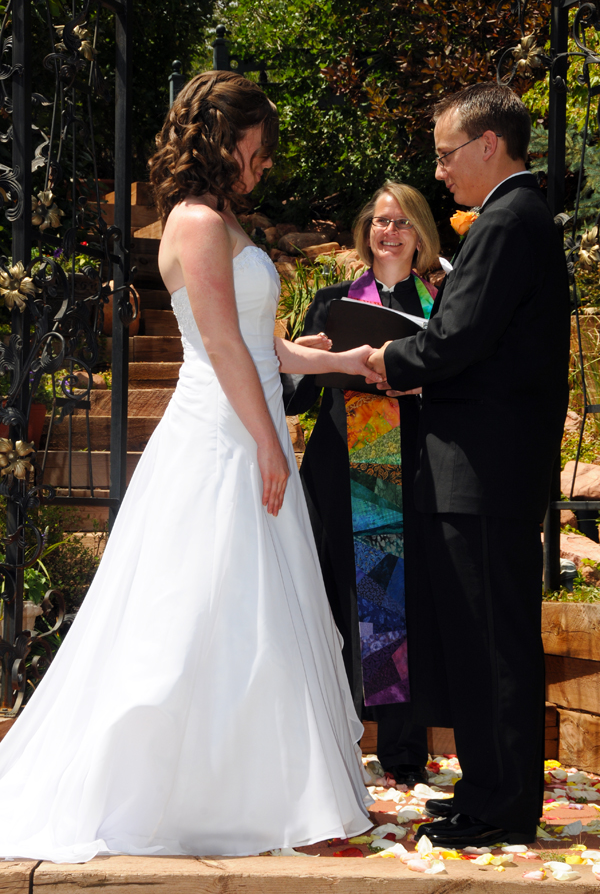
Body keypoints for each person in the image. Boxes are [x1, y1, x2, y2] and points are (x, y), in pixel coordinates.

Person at [0, 71, 381, 862]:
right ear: (226, 137)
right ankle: (215, 796)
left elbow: (260, 340)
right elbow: (220, 345)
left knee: (262, 606)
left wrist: (337, 356)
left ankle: (286, 797)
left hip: (247, 418)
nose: (264, 162)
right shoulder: (197, 221)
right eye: (259, 146)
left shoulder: (223, 219)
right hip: (220, 436)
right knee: (209, 606)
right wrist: (271, 442)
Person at [368, 83, 570, 847]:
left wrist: (383, 353)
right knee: (480, 636)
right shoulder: (512, 220)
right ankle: (487, 786)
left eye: (449, 154)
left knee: (496, 641)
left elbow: (455, 343)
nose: (441, 170)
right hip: (479, 470)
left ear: (490, 145)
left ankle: (506, 803)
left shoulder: (509, 221)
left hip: (486, 471)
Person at [285, 182, 440, 786]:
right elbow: (298, 398)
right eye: (379, 221)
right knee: (342, 605)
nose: (389, 231)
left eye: (401, 221)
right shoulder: (331, 303)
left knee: (398, 607)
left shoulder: (443, 302)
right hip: (341, 469)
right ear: (365, 231)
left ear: (420, 232)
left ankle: (403, 754)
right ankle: (338, 750)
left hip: (417, 470)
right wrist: (297, 356)